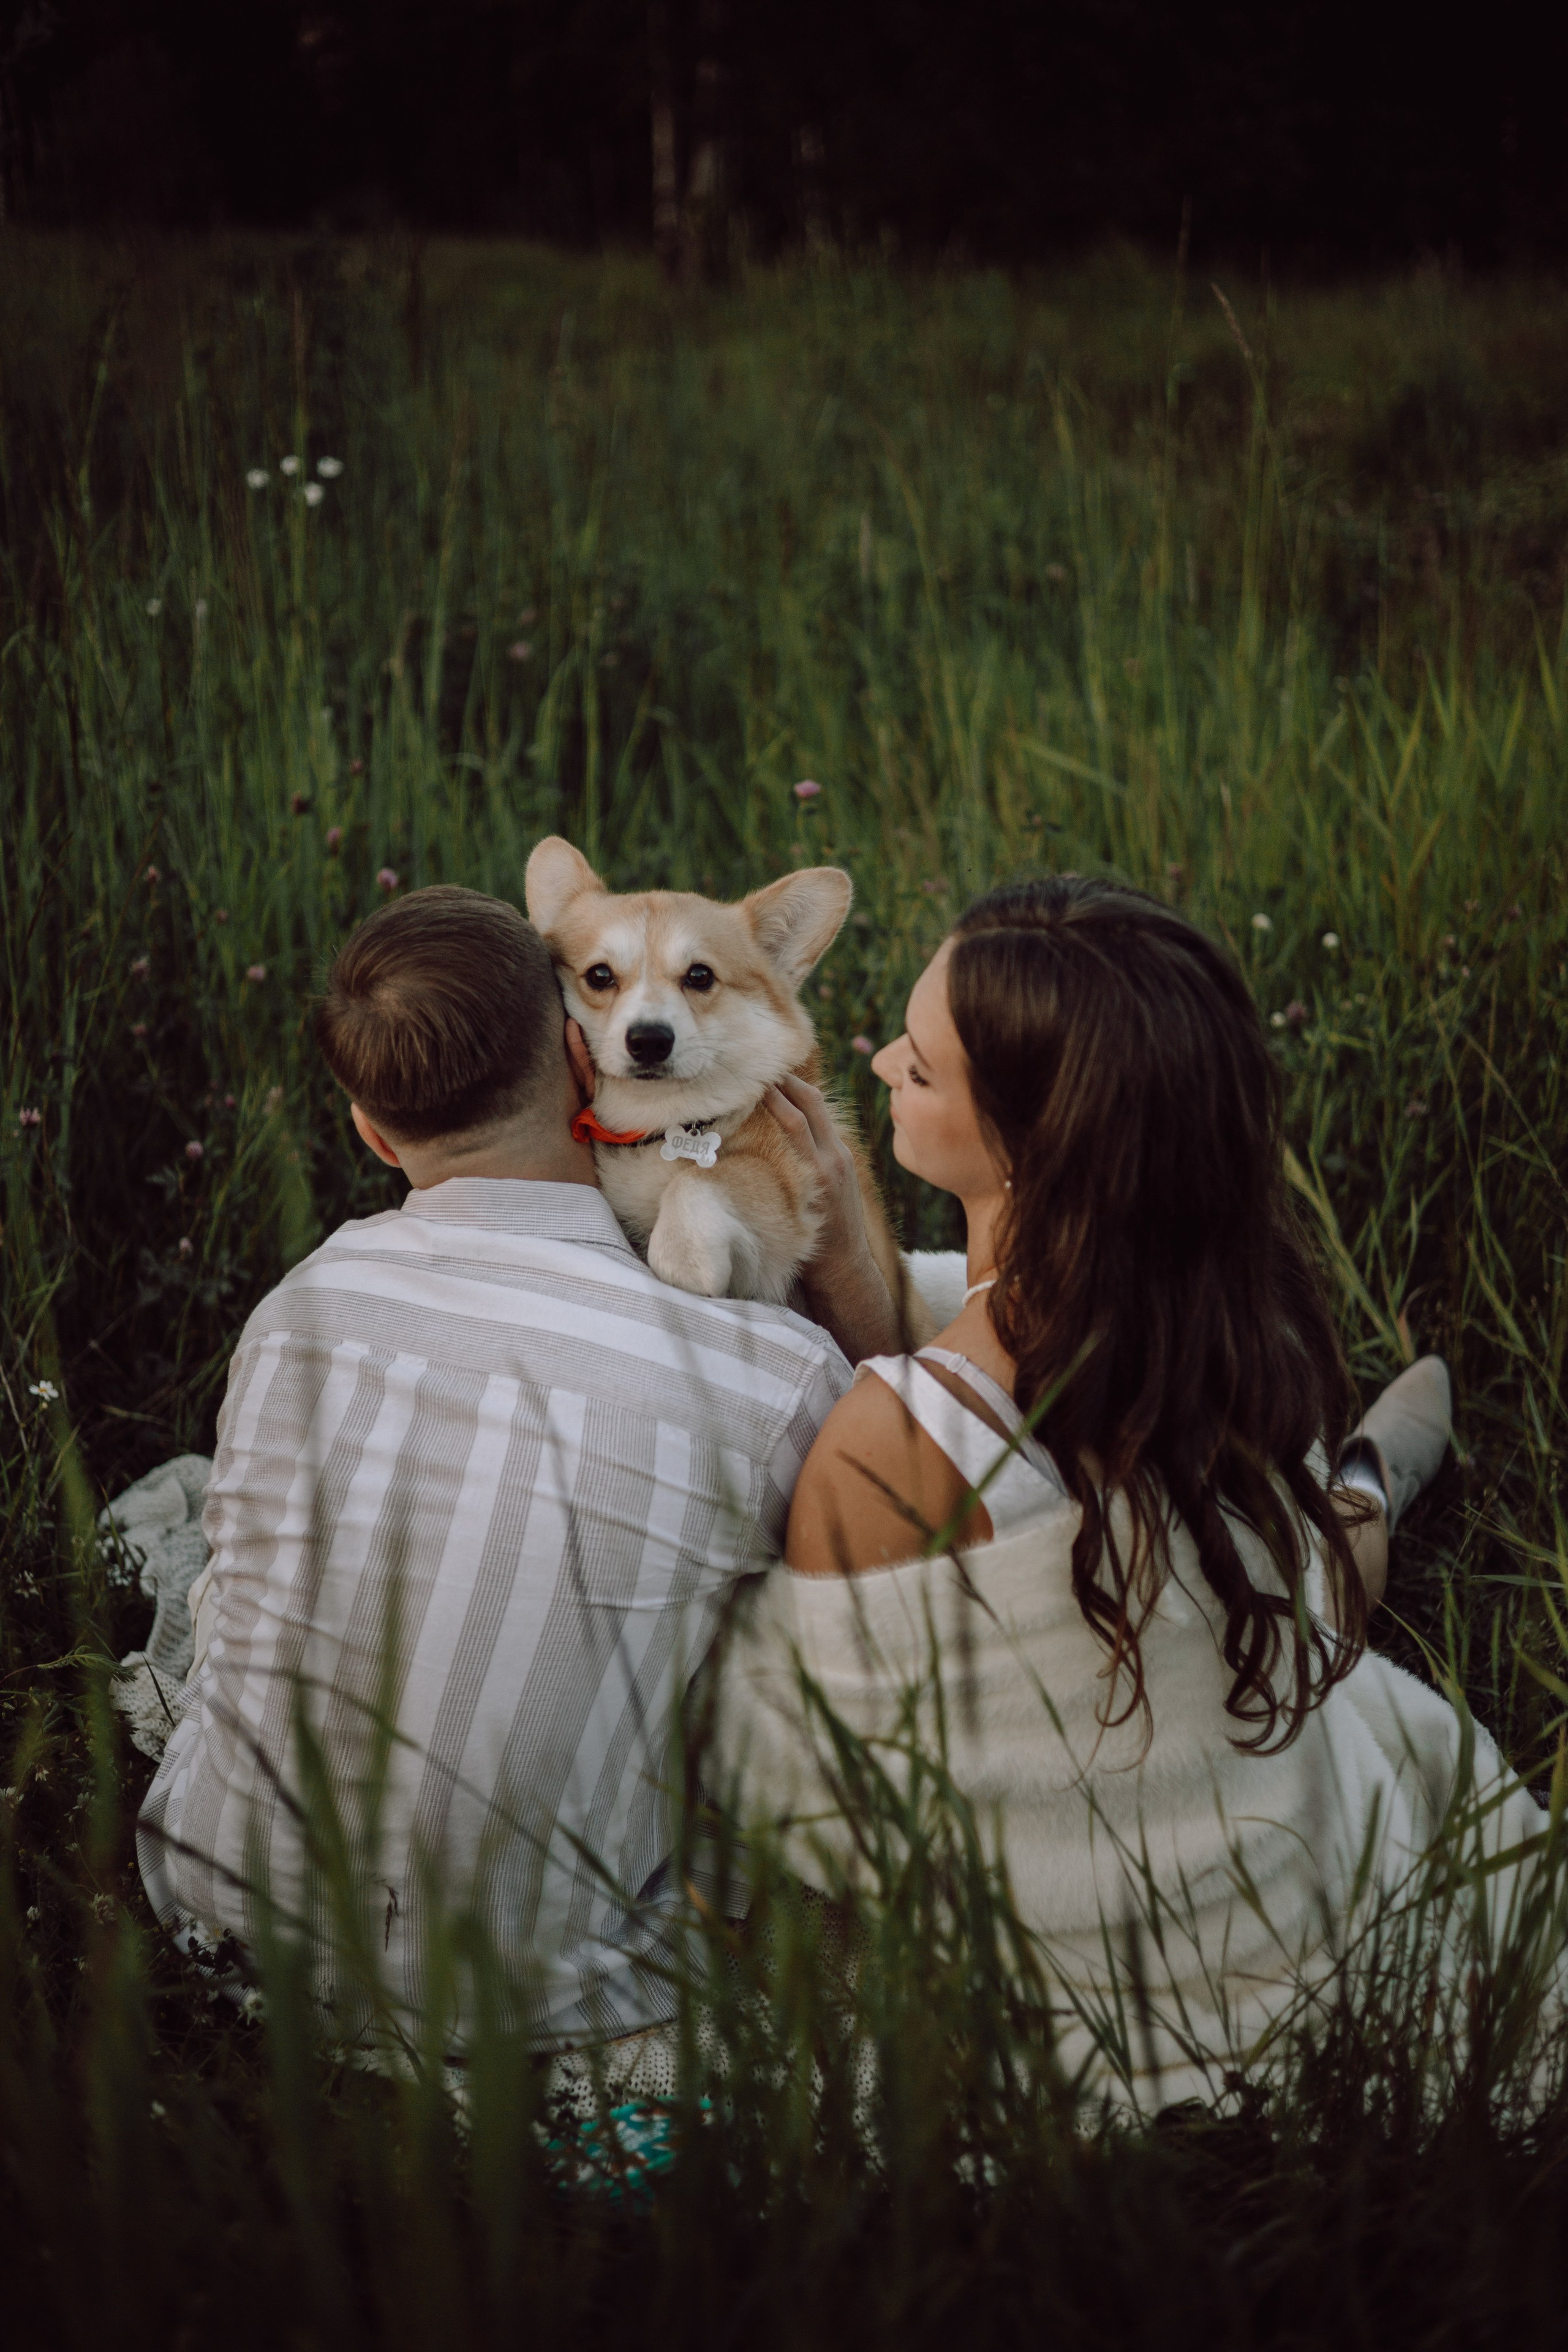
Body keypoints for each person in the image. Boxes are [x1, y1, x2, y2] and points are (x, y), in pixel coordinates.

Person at [715, 875, 1562, 2109]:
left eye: (927, 1068)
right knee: (1314, 1565)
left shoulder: (886, 1441)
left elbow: (799, 1777)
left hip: (1085, 1988)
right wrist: (856, 1259)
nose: (886, 1058)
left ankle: (1375, 1477)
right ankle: (1378, 1467)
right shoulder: (1229, 1324)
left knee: (1326, 1570)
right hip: (1286, 1795)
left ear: (1031, 1139)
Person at [135, 884, 899, 2059]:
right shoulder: (771, 1376)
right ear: (581, 1053)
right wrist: (846, 1259)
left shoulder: (299, 1309)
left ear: (370, 1134)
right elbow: (920, 1517)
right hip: (523, 1990)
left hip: (210, 1903)